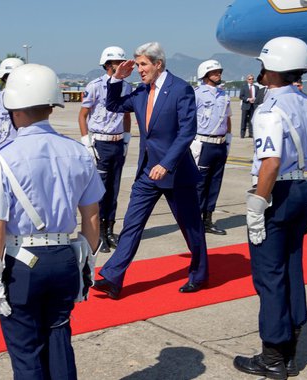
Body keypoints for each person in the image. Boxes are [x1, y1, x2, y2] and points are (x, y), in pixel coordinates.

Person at [0, 63, 104, 379]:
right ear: (51, 106)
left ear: (13, 108)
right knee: (59, 340)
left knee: (26, 352)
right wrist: (87, 263)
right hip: (65, 259)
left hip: (23, 264)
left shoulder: (3, 158)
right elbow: (92, 216)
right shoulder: (78, 153)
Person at [233, 37, 307, 380]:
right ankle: (290, 350)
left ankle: (273, 355)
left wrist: (258, 204)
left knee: (269, 275)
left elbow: (271, 163)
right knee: (292, 267)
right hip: (302, 190)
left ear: (270, 67)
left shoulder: (268, 109)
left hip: (275, 191)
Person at [92, 42, 209, 298]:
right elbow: (113, 105)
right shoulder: (141, 92)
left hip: (176, 172)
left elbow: (187, 132)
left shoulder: (181, 89)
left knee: (190, 226)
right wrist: (115, 79)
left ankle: (199, 274)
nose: (139, 69)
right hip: (147, 172)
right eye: (137, 65)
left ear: (158, 64)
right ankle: (113, 277)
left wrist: (166, 164)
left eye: (143, 64)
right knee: (132, 225)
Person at [79, 46, 132, 252]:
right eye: (119, 63)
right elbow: (83, 115)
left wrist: (126, 140)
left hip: (117, 142)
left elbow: (127, 114)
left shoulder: (126, 87)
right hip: (99, 143)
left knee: (114, 188)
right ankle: (99, 231)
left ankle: (110, 229)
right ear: (109, 65)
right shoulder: (95, 86)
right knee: (99, 190)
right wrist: (87, 143)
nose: (123, 65)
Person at [192, 60, 232, 235]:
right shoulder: (197, 94)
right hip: (203, 144)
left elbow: (227, 119)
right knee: (200, 184)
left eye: (219, 71)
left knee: (215, 183)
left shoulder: (224, 95)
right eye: (215, 72)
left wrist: (228, 139)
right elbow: (188, 118)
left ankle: (208, 220)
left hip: (220, 144)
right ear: (205, 75)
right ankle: (195, 221)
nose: (218, 74)